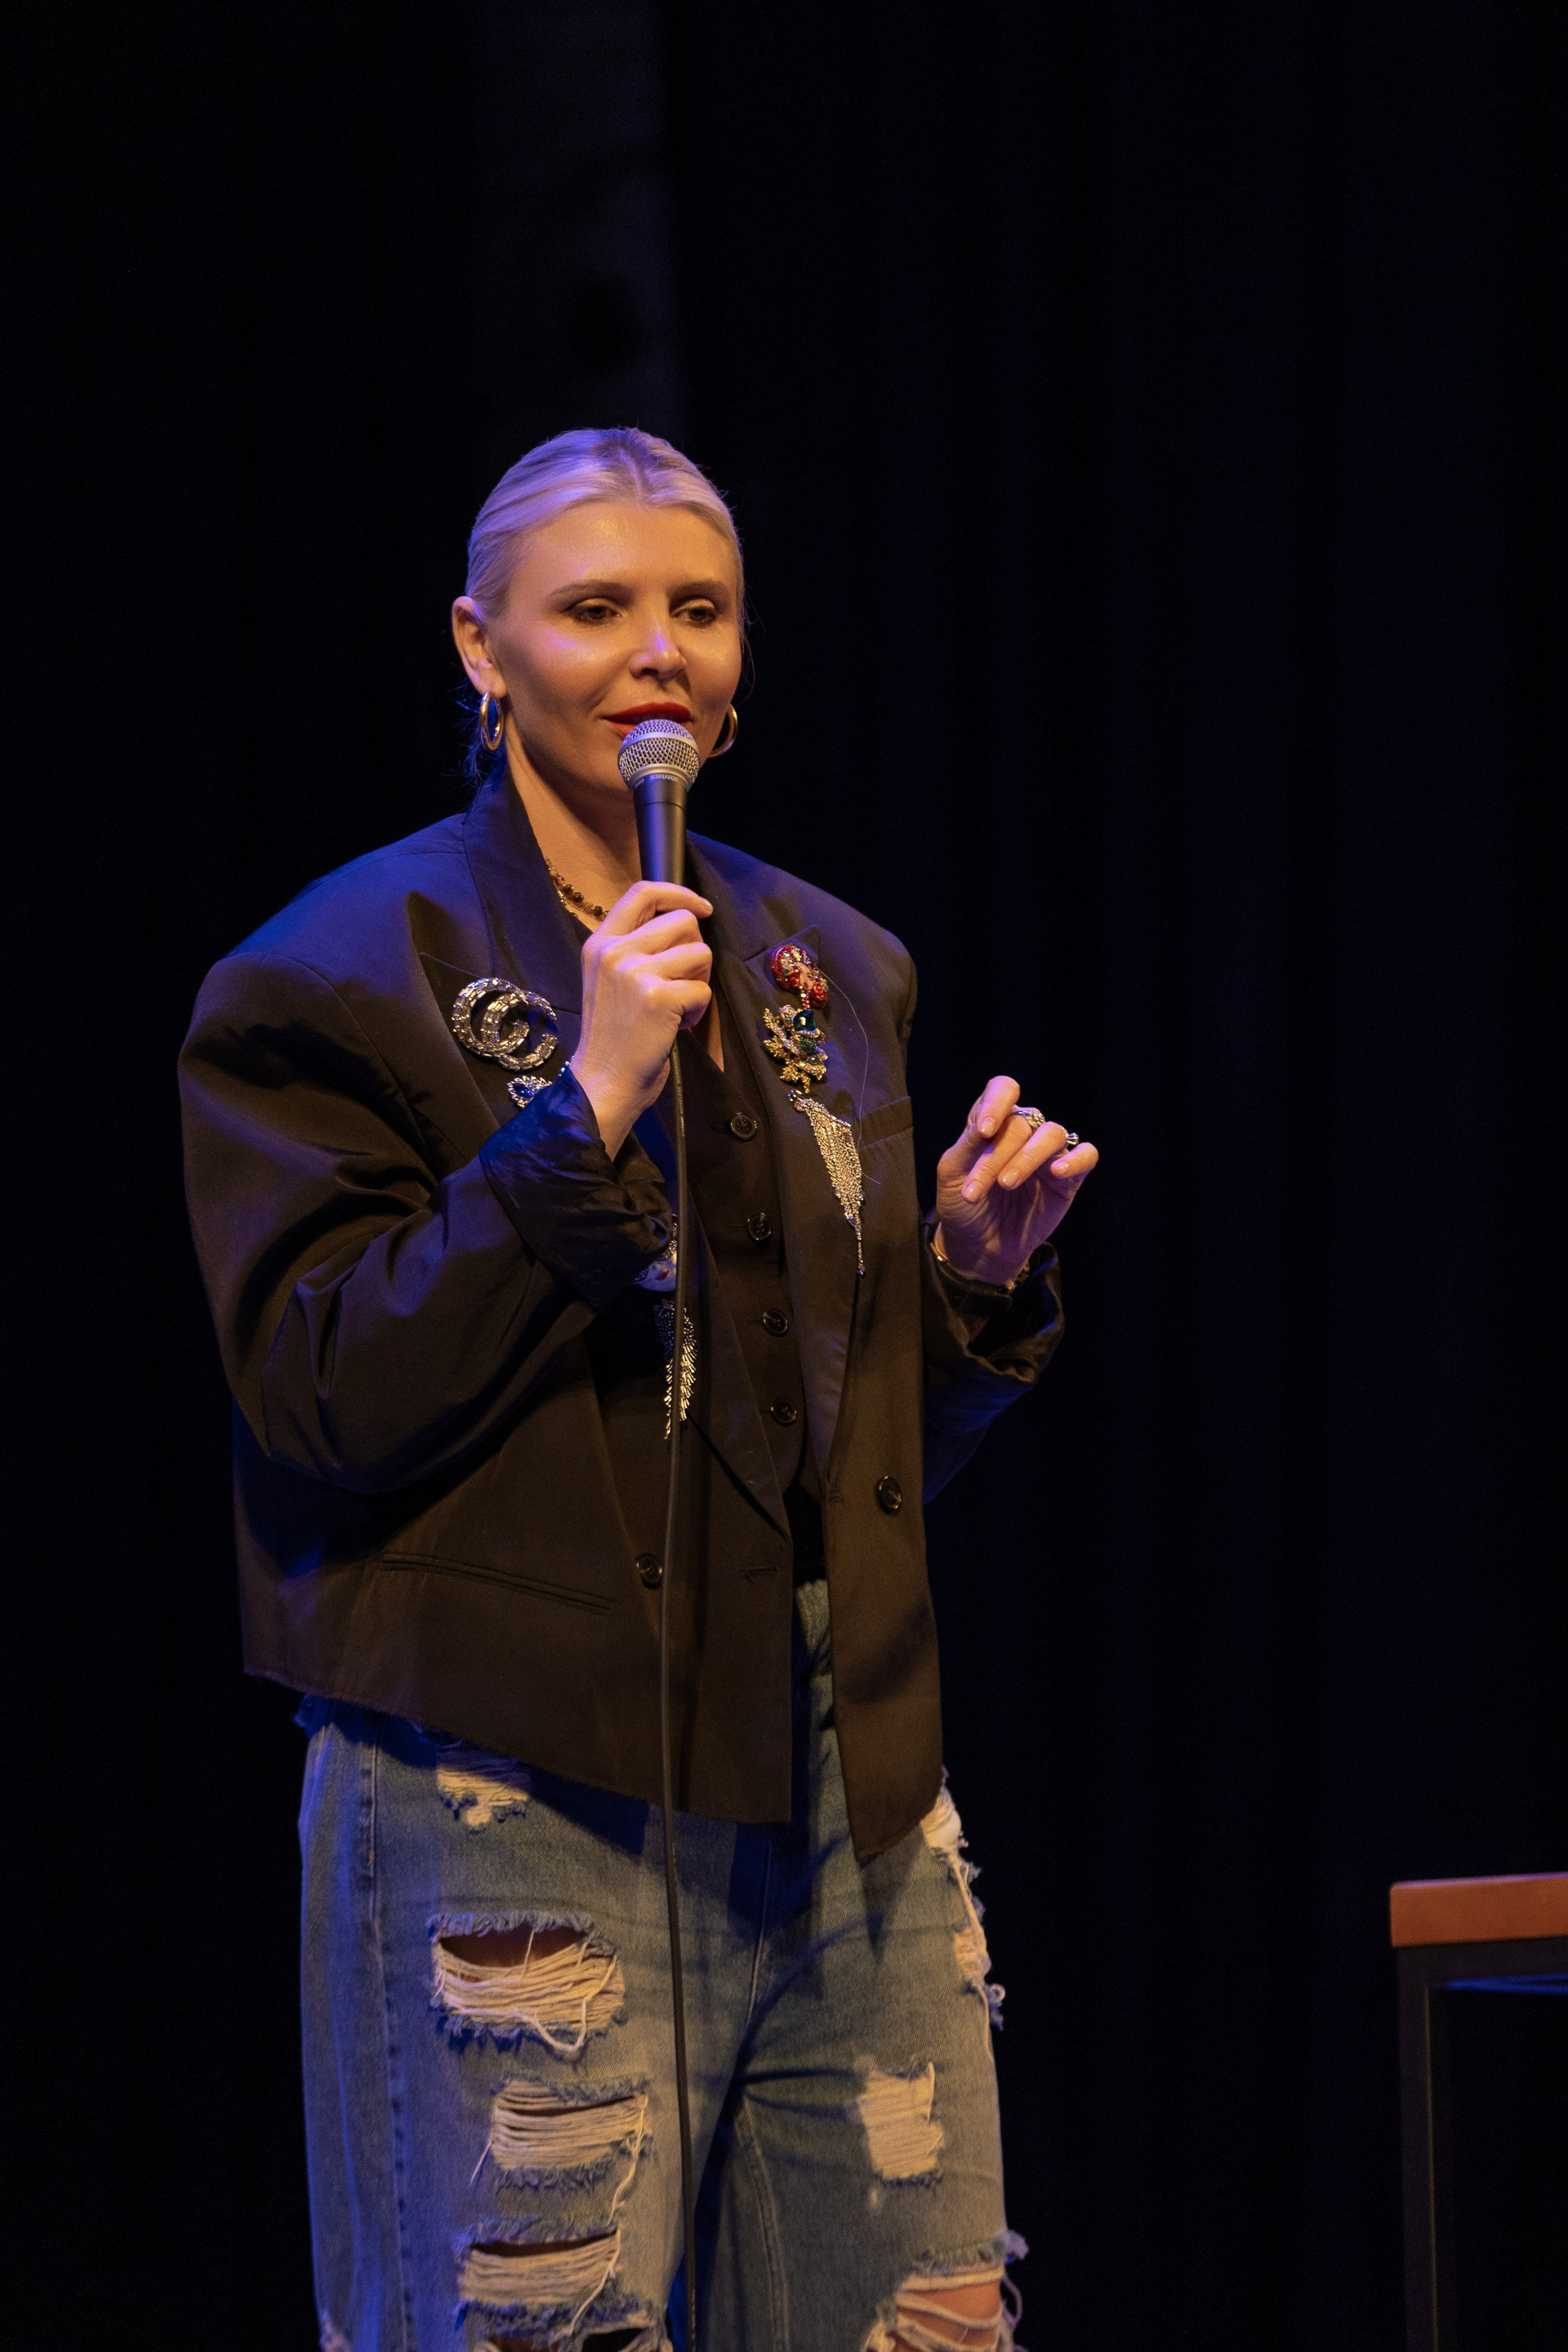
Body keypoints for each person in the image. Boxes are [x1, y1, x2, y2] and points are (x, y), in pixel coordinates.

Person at [180, 426, 1098, 2352]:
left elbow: (824, 1448)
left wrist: (963, 1283)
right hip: (519, 1780)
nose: (658, 650)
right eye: (595, 609)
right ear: (480, 646)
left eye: (700, 608)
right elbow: (320, 1392)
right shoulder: (340, 971)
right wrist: (585, 1103)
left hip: (842, 1789)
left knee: (920, 2325)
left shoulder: (829, 966)